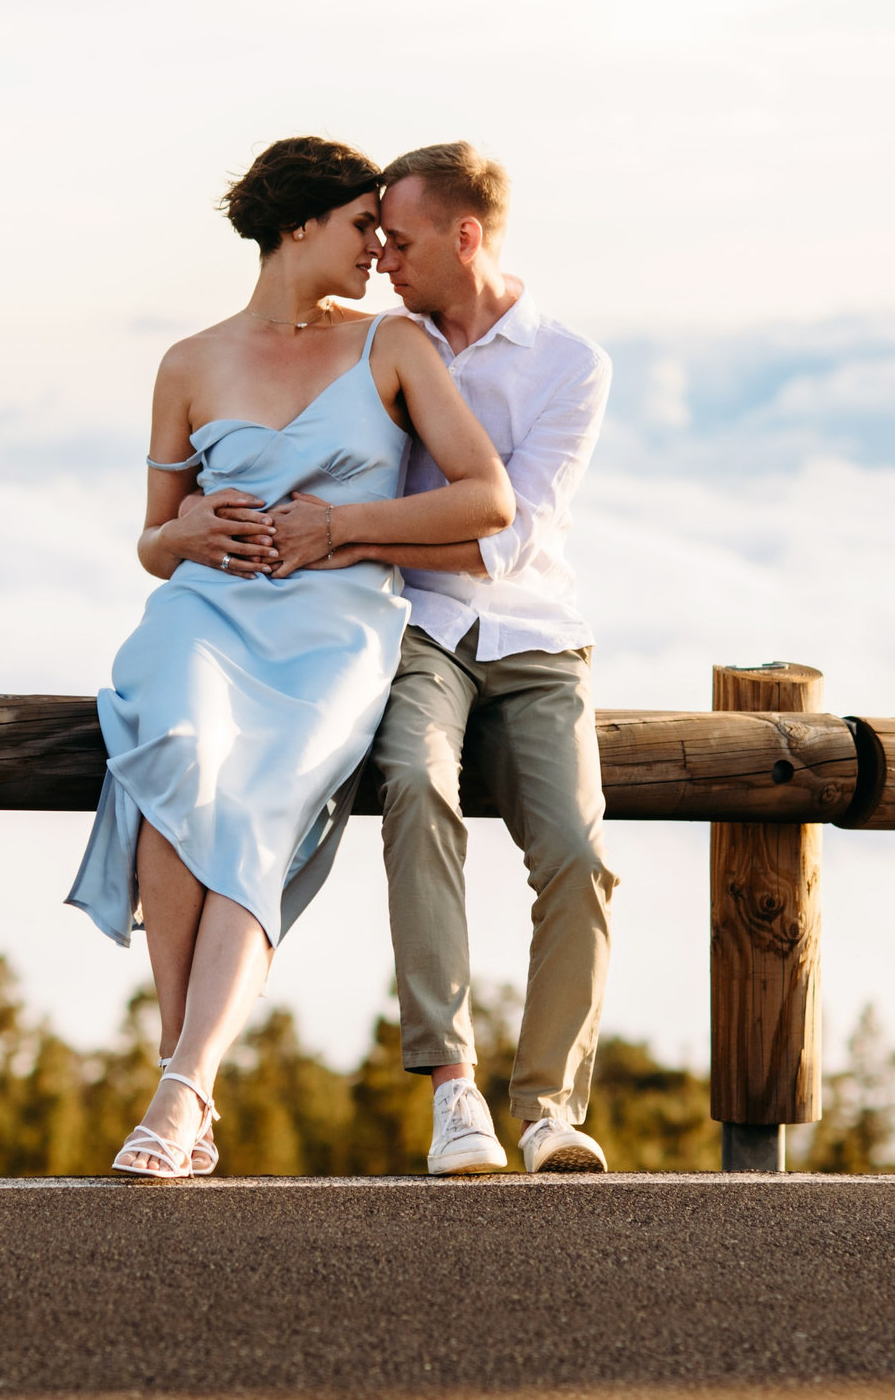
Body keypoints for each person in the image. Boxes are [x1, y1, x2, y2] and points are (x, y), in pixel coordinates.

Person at [67, 136, 515, 1180]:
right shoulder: (188, 362)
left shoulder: (393, 348)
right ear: (297, 227)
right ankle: (187, 1088)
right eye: (362, 226)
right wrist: (190, 532)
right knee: (175, 755)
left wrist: (343, 525)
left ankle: (180, 1092)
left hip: (334, 627)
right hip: (204, 618)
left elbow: (486, 499)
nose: (379, 248)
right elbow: (150, 541)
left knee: (261, 801)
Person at [318, 142, 618, 1175]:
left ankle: (549, 1109)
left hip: (538, 638)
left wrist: (348, 530)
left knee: (578, 854)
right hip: (418, 627)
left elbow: (508, 540)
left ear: (466, 235)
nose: (382, 260)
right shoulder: (387, 345)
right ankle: (455, 1093)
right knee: (412, 781)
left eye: (398, 242)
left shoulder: (571, 363)